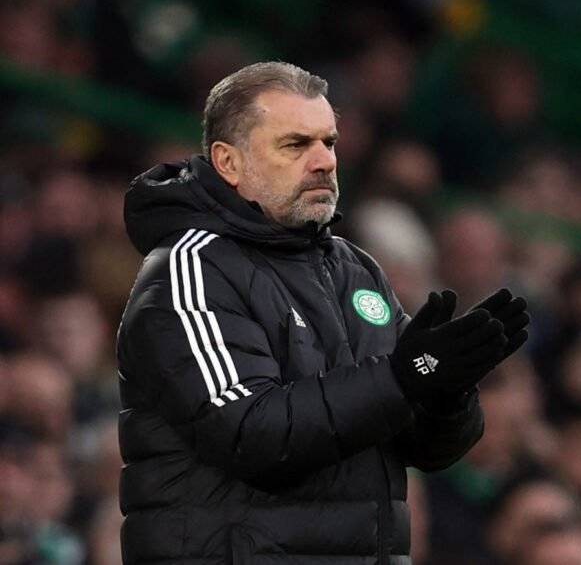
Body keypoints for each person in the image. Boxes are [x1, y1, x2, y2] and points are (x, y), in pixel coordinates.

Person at [116, 61, 529, 564]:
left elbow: (425, 450)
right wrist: (403, 378)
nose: (324, 162)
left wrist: (446, 390)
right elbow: (249, 433)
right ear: (229, 162)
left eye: (329, 142)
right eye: (295, 145)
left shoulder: (356, 269)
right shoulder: (191, 268)